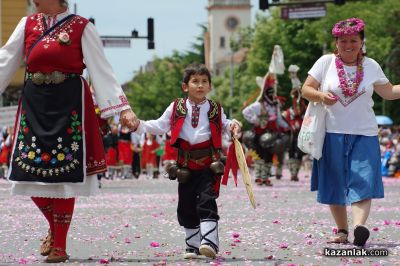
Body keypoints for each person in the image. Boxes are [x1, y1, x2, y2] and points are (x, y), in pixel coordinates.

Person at [0, 0, 138, 262]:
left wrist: (123, 109)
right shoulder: (27, 23)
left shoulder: (82, 27)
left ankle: (59, 246)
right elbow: (6, 59)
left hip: (69, 104)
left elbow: (101, 70)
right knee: (25, 170)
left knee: (64, 175)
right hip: (34, 103)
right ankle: (55, 230)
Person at [302, 17, 400, 247]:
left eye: (353, 40)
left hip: (365, 134)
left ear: (361, 42)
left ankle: (359, 227)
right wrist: (320, 96)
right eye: (343, 40)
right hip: (331, 133)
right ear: (336, 43)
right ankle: (342, 229)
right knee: (335, 182)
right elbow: (306, 89)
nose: (348, 45)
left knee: (363, 180)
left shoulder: (371, 66)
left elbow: (389, 92)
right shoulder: (325, 63)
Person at [134, 63, 241, 259]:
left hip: (209, 164)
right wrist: (138, 125)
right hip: (184, 165)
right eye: (195, 81)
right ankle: (192, 246)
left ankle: (209, 243)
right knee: (186, 205)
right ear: (185, 86)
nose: (200, 85)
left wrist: (234, 125)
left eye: (204, 82)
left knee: (207, 200)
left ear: (210, 86)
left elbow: (225, 125)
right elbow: (160, 125)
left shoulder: (216, 108)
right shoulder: (176, 107)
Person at [242, 72, 290, 186]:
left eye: (273, 94)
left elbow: (278, 119)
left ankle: (266, 177)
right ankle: (259, 177)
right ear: (266, 94)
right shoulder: (259, 105)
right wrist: (255, 120)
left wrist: (287, 126)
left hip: (271, 134)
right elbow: (245, 112)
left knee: (269, 155)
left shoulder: (275, 105)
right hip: (259, 134)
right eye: (271, 94)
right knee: (259, 155)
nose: (273, 96)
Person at [282, 65, 307, 181]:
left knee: (300, 153)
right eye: (294, 97)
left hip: (302, 135)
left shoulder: (305, 110)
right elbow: (283, 119)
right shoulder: (288, 112)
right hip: (292, 135)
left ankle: (295, 172)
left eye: (297, 97)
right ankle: (293, 173)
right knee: (292, 153)